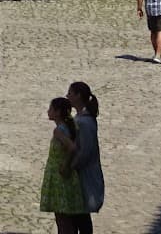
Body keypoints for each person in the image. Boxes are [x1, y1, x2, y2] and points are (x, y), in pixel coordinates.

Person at [39, 96, 86, 233]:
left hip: (59, 178)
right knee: (67, 219)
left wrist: (65, 164)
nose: (48, 111)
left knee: (62, 220)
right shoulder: (70, 127)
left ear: (58, 112)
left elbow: (72, 148)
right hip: (67, 178)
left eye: (51, 109)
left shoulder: (59, 131)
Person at [66, 82, 104, 234]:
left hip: (83, 174)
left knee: (81, 216)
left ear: (78, 96)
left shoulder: (84, 122)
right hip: (80, 172)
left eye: (70, 93)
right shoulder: (81, 118)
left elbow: (85, 151)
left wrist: (71, 167)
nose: (67, 96)